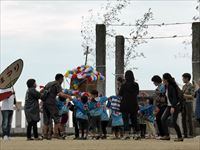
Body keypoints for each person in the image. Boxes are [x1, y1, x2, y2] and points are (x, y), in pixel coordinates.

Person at [42, 73, 71, 139]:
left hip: (45, 103)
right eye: (62, 79)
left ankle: (45, 135)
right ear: (60, 79)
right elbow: (60, 94)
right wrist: (68, 96)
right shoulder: (57, 84)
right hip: (51, 103)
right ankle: (56, 134)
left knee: (46, 120)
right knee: (57, 119)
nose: (62, 81)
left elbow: (42, 91)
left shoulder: (49, 83)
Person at [161, 73, 183, 142]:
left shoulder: (171, 86)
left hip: (175, 106)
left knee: (173, 122)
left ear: (166, 79)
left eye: (163, 78)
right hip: (168, 106)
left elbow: (174, 98)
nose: (162, 80)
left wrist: (173, 107)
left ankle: (180, 137)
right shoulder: (166, 86)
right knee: (163, 119)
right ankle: (167, 135)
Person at [119, 70, 140, 140]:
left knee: (125, 119)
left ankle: (126, 134)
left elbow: (120, 94)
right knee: (134, 119)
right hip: (134, 104)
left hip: (125, 104)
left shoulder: (123, 85)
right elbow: (137, 93)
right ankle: (137, 134)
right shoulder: (136, 84)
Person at [182, 73, 195, 138]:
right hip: (184, 103)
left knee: (189, 119)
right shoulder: (183, 86)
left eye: (183, 78)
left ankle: (191, 134)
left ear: (187, 78)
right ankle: (185, 133)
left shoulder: (191, 86)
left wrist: (184, 95)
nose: (182, 79)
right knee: (183, 119)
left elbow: (192, 96)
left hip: (189, 103)